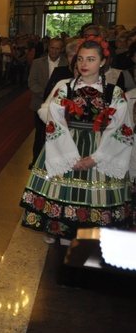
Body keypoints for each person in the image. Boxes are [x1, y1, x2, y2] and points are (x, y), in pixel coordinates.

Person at [21, 36, 133, 245]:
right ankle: (64, 247)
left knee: (94, 208)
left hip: (100, 149)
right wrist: (70, 156)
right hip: (67, 146)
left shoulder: (114, 92)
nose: (84, 64)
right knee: (63, 203)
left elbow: (121, 128)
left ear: (102, 62)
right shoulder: (65, 88)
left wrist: (96, 158)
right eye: (80, 59)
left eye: (91, 59)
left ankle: (87, 253)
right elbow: (55, 122)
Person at [28, 37, 65, 168]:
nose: (54, 51)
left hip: (60, 105)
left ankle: (54, 162)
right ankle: (36, 161)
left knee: (56, 134)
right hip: (39, 102)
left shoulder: (66, 63)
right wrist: (46, 94)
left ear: (62, 49)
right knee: (39, 134)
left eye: (57, 48)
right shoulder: (38, 62)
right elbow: (32, 81)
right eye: (52, 47)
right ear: (48, 47)